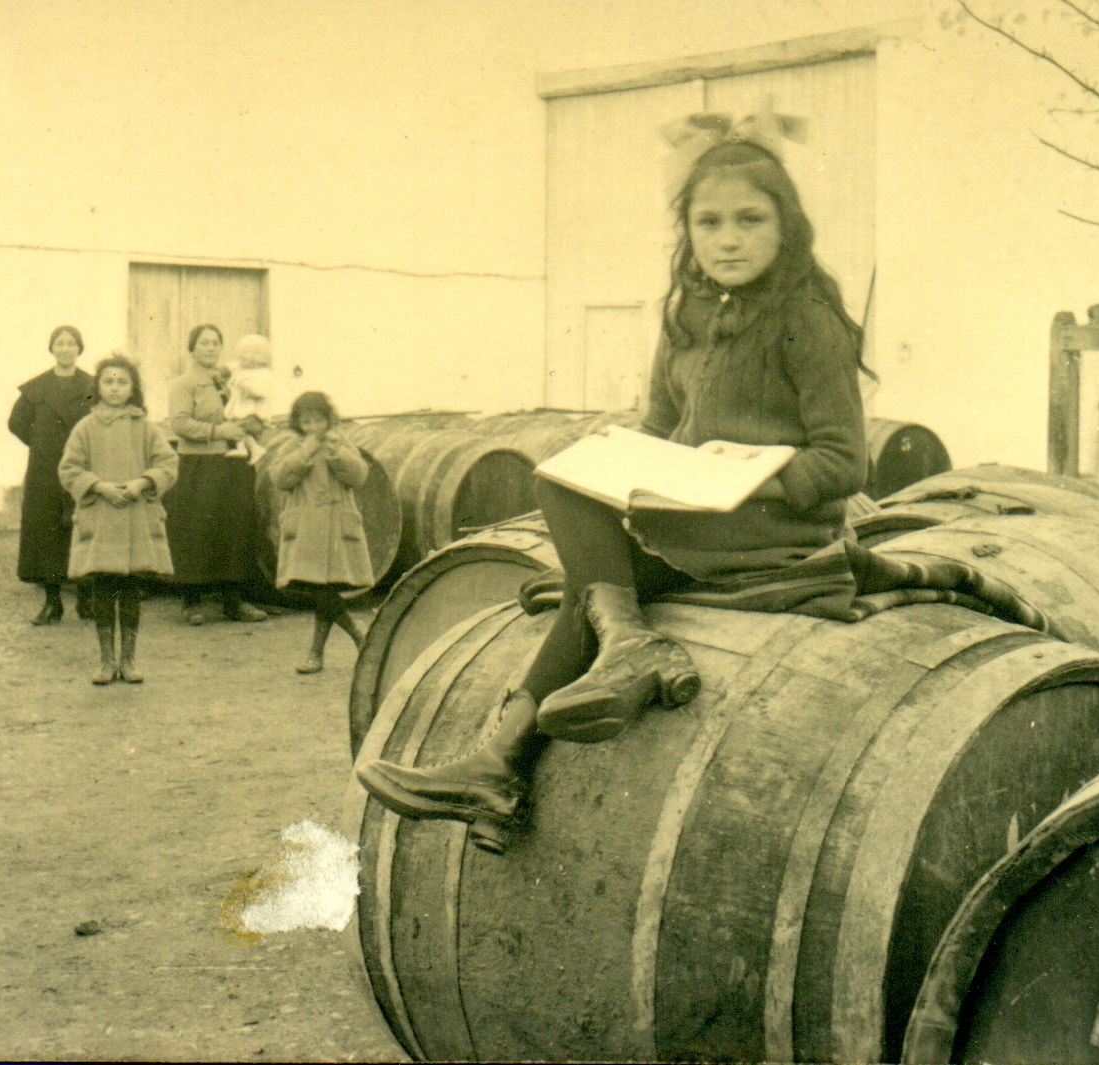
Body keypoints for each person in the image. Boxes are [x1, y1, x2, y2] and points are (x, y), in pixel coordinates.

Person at [357, 119, 870, 851]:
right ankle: (512, 752)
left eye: (751, 220)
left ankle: (538, 726)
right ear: (686, 231)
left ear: (787, 226)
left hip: (774, 537)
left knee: (584, 578)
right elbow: (659, 429)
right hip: (701, 520)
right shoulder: (689, 316)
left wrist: (747, 473)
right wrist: (633, 460)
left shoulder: (806, 320)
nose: (729, 239)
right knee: (568, 478)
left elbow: (846, 463)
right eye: (709, 222)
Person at [57, 354, 178, 684]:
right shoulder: (86, 427)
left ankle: (129, 659)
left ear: (133, 388)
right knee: (104, 587)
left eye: (122, 382)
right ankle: (106, 660)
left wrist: (143, 482)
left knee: (130, 588)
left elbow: (168, 463)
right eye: (108, 381)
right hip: (101, 517)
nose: (114, 388)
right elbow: (68, 469)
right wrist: (98, 486)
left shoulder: (145, 427)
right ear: (97, 387)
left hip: (136, 517)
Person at [162, 323, 268, 625]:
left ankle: (233, 601)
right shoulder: (183, 384)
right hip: (199, 464)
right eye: (204, 343)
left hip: (235, 463)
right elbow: (179, 423)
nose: (210, 348)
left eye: (215, 343)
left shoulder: (234, 381)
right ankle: (192, 601)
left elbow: (252, 412)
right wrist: (217, 431)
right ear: (192, 348)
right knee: (197, 529)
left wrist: (251, 424)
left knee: (235, 527)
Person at [267, 391, 369, 675]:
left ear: (328, 420)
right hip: (306, 530)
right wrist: (304, 454)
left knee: (326, 588)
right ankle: (357, 633)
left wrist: (336, 454)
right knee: (314, 587)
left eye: (318, 421)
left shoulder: (341, 442)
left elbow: (359, 476)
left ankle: (316, 655)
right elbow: (279, 479)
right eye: (307, 422)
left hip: (336, 528)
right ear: (298, 423)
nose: (313, 427)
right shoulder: (292, 446)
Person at [8, 324, 96, 624]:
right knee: (46, 533)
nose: (66, 348)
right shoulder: (36, 388)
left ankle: (86, 599)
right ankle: (52, 601)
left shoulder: (92, 386)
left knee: (84, 528)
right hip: (44, 471)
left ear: (79, 348)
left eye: (72, 343)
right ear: (52, 348)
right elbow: (17, 423)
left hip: (84, 469)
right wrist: (41, 443)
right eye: (60, 343)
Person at [224, 334, 284, 463]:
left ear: (255, 359)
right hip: (243, 409)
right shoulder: (244, 369)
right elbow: (232, 366)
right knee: (241, 430)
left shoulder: (262, 374)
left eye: (244, 358)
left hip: (251, 411)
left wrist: (245, 386)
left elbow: (260, 391)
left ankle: (246, 448)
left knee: (239, 428)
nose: (241, 361)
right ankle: (252, 449)